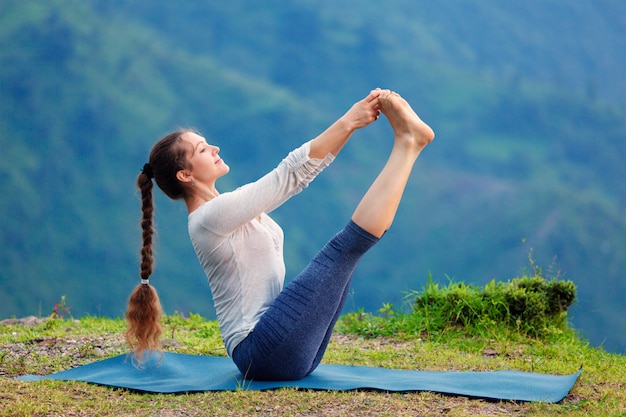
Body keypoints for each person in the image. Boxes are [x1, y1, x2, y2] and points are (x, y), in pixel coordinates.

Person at [125, 88, 434, 380]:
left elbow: (303, 173)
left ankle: (408, 142)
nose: (215, 149)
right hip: (261, 350)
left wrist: (352, 126)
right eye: (203, 150)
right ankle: (408, 144)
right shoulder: (208, 218)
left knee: (347, 257)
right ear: (186, 175)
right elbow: (289, 174)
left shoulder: (227, 208)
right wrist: (349, 120)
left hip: (283, 351)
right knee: (345, 249)